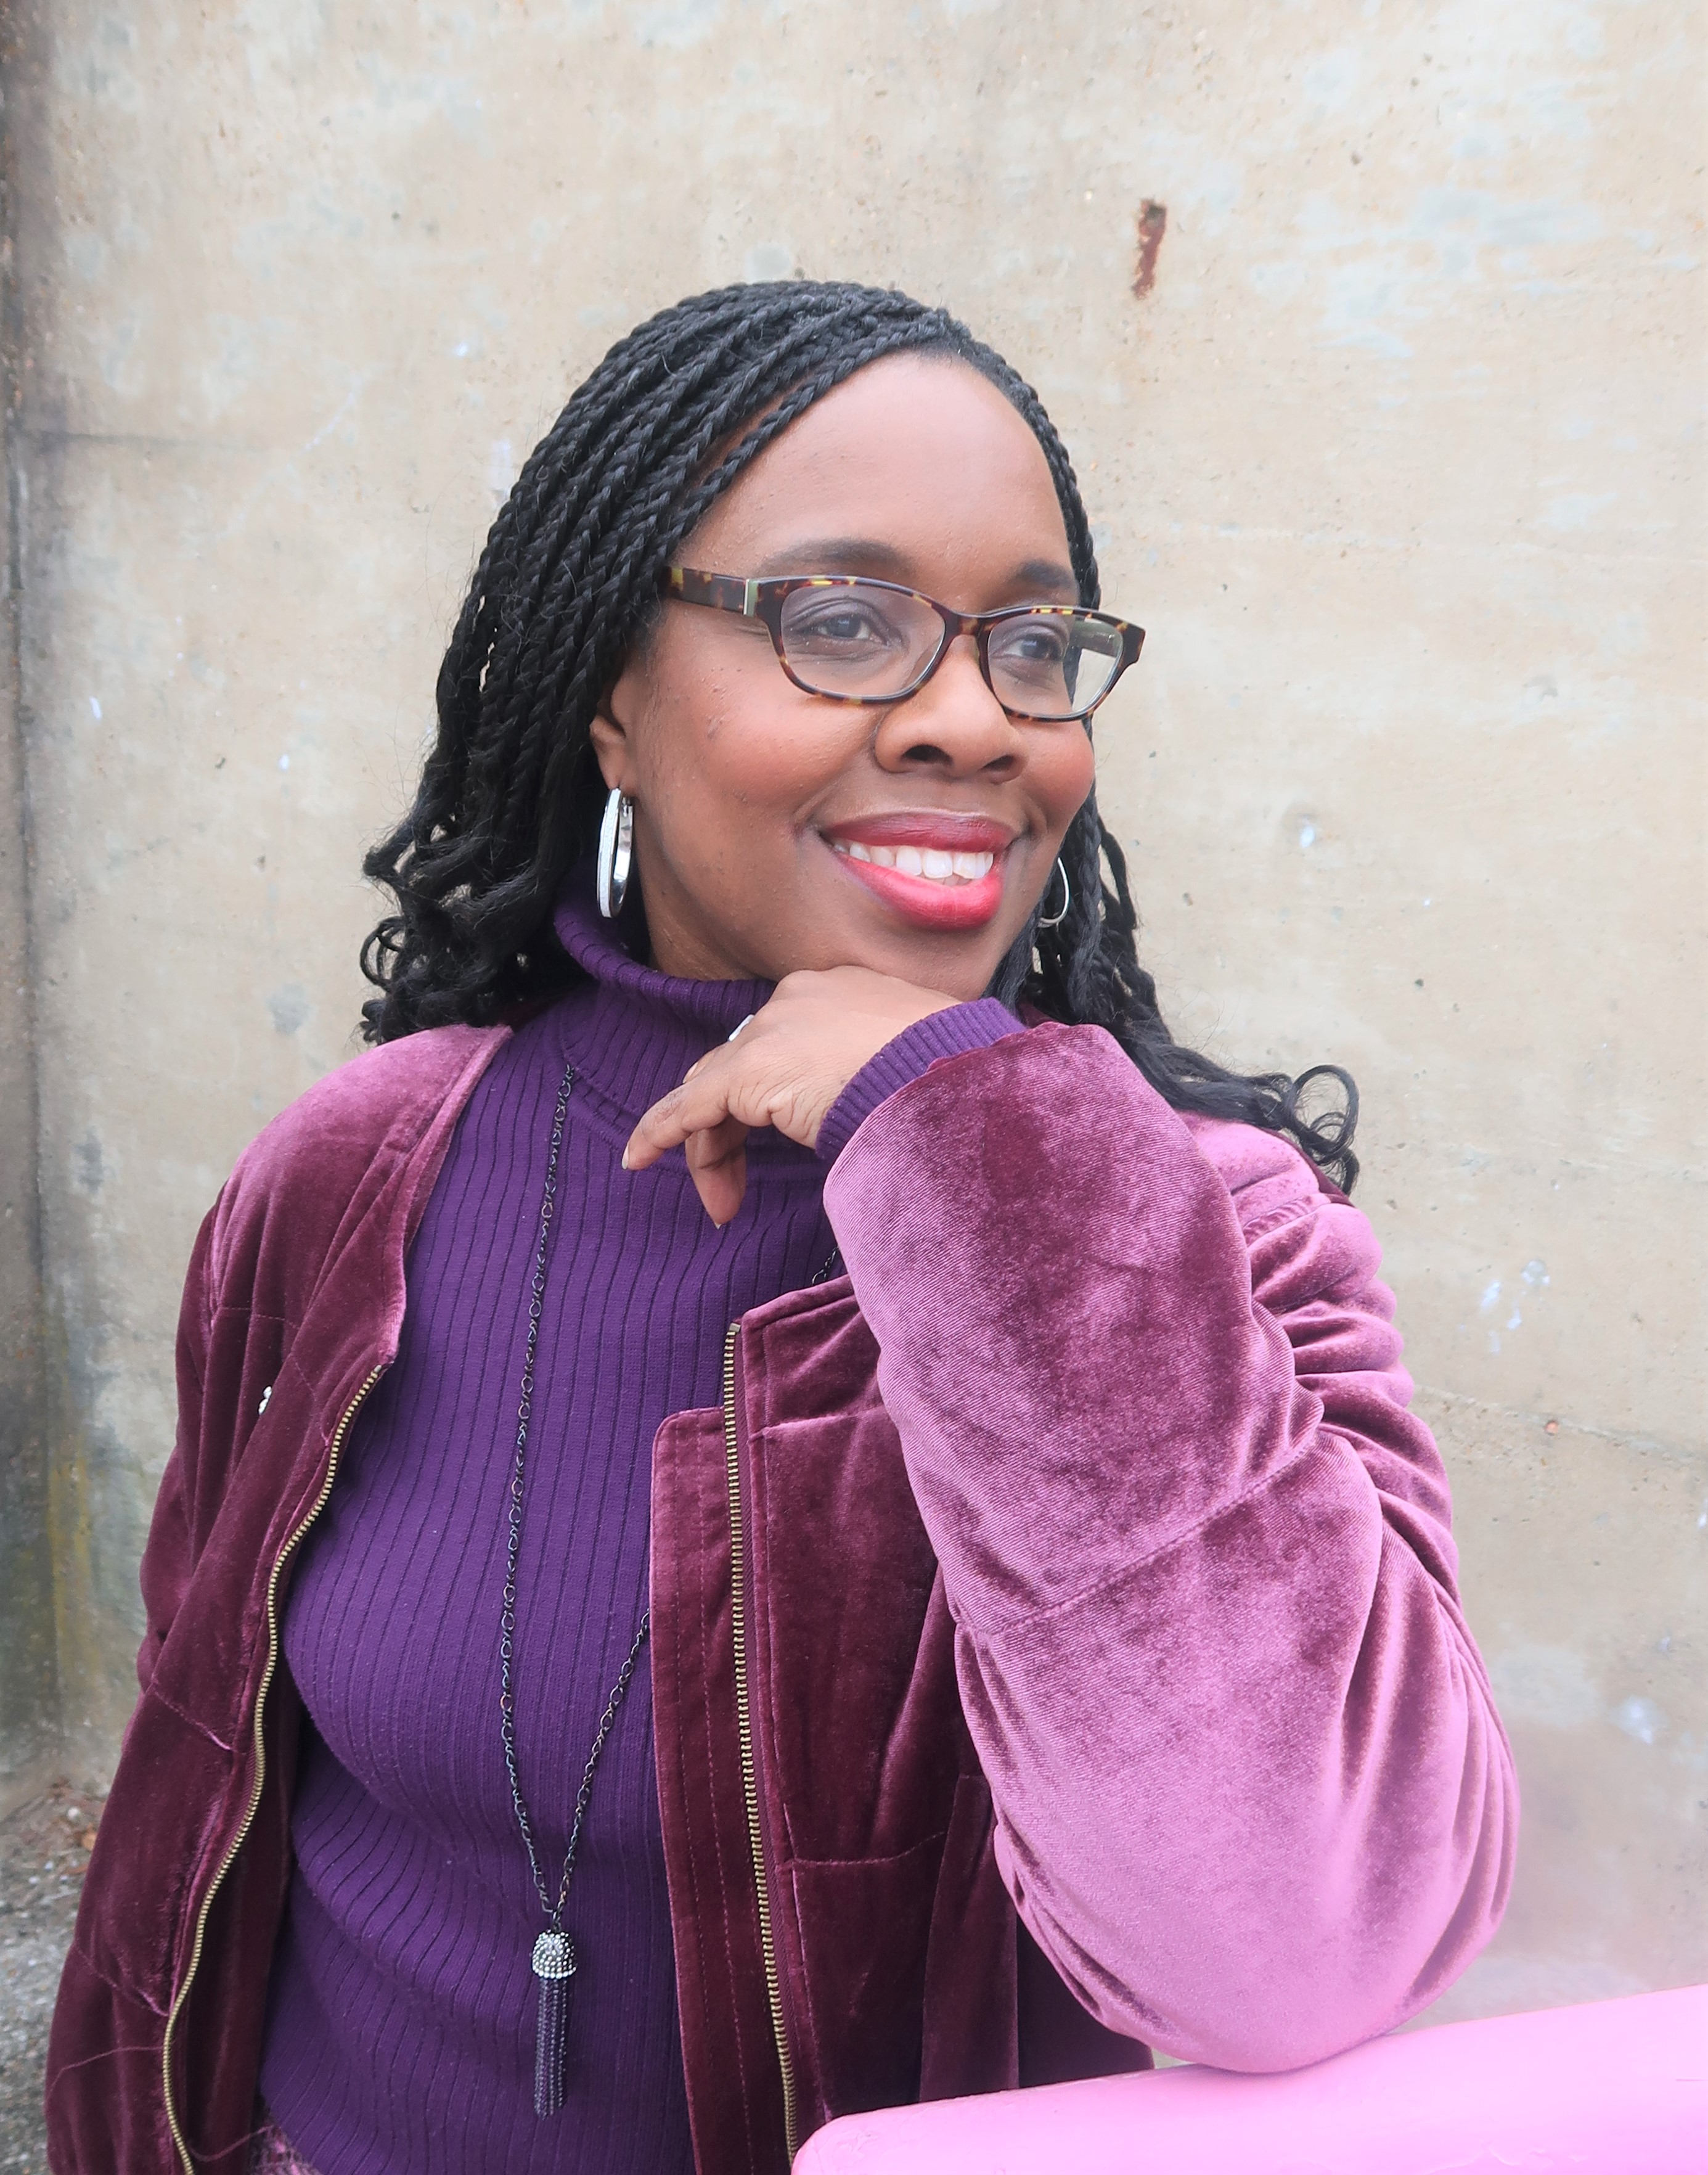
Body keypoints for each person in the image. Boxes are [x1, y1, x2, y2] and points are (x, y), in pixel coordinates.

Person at [46, 281, 1516, 2175]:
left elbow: (1295, 1952)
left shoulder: (1206, 1246)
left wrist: (958, 1132)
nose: (975, 719)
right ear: (612, 702)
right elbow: (197, 1783)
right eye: (839, 621)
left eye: (1034, 645)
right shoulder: (356, 1172)